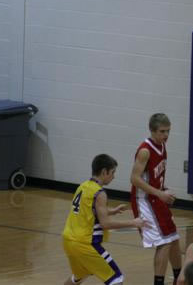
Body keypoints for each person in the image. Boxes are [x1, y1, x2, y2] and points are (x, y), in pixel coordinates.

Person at [62, 154, 148, 285]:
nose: (114, 176)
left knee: (79, 276)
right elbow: (106, 224)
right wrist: (134, 222)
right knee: (116, 279)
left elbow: (87, 212)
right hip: (85, 244)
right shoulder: (100, 192)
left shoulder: (83, 186)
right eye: (112, 172)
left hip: (68, 241)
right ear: (104, 172)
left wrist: (112, 211)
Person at [130, 113, 182, 285]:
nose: (166, 135)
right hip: (144, 201)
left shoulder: (162, 146)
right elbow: (134, 179)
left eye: (168, 131)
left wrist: (164, 189)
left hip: (155, 198)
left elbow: (153, 176)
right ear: (152, 130)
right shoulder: (145, 150)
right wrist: (160, 194)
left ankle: (179, 278)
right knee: (164, 242)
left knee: (174, 238)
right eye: (162, 131)